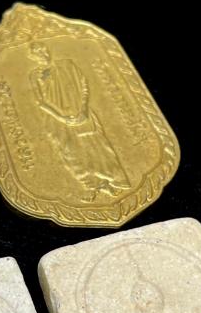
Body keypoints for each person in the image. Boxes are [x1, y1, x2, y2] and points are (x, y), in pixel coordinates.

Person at [28, 41, 131, 201]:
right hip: (57, 121)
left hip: (82, 114)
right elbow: (39, 101)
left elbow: (84, 87)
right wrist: (61, 117)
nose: (43, 53)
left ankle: (111, 180)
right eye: (38, 52)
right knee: (73, 153)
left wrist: (83, 110)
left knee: (98, 146)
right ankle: (94, 187)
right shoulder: (35, 75)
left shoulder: (67, 64)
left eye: (44, 49)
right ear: (33, 57)